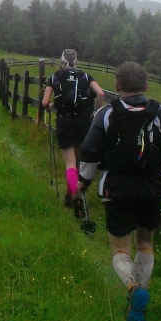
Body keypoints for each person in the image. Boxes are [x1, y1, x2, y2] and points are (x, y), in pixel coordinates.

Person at [77, 61, 161, 321]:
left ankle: (132, 288)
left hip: (117, 188)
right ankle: (139, 299)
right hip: (152, 187)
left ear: (117, 86)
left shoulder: (106, 114)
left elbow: (89, 153)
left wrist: (84, 182)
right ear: (146, 85)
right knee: (146, 243)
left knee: (120, 249)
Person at [42, 49, 104, 217]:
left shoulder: (54, 77)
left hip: (64, 121)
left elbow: (45, 102)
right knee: (79, 162)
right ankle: (73, 195)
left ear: (61, 61)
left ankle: (74, 195)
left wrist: (50, 107)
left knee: (70, 164)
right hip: (83, 122)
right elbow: (100, 93)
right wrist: (97, 113)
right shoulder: (85, 76)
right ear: (77, 61)